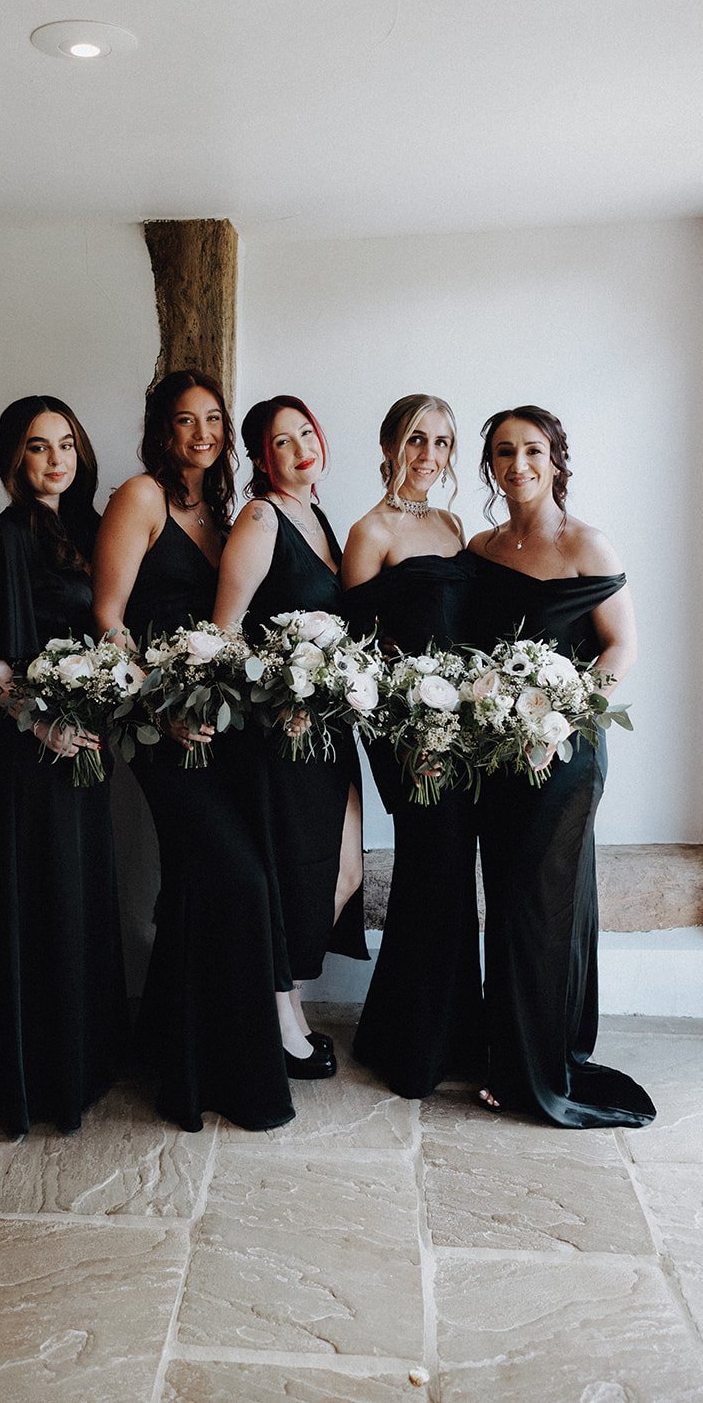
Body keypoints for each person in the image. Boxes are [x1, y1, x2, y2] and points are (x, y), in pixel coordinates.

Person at [92, 370, 296, 1131]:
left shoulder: (222, 509)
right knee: (236, 881)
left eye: (213, 418)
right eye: (186, 421)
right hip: (161, 730)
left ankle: (178, 1060)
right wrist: (159, 705)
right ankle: (242, 1080)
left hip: (225, 729)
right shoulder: (140, 498)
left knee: (195, 890)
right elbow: (108, 619)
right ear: (161, 429)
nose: (202, 433)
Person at [468, 405, 655, 1128]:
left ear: (556, 460)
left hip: (564, 757)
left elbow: (619, 649)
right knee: (509, 905)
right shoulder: (482, 548)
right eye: (504, 452)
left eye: (533, 451)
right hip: (496, 758)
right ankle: (519, 1049)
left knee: (541, 910)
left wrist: (561, 721)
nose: (518, 464)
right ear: (490, 464)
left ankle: (533, 1070)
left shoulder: (588, 545)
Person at [0, 395, 129, 1137]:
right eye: (36, 446)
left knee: (76, 902)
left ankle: (80, 1065)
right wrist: (41, 721)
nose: (55, 458)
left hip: (81, 750)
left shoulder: (87, 530)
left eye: (65, 444)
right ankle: (29, 1080)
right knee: (34, 903)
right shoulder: (4, 538)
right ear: (13, 461)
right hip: (24, 755)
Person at [213, 395, 368, 1075]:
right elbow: (222, 635)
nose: (299, 447)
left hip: (329, 729)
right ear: (260, 458)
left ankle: (287, 1004)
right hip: (283, 732)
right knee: (295, 876)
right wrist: (276, 699)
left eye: (306, 432)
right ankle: (280, 1018)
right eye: (281, 441)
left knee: (343, 872)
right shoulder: (260, 516)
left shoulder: (321, 517)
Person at [342, 394, 486, 1097]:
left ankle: (450, 1030)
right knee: (429, 875)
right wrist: (401, 744)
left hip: (461, 731)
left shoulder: (455, 523)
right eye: (415, 440)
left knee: (453, 878)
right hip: (409, 738)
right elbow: (356, 656)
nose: (429, 455)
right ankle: (412, 1045)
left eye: (441, 442)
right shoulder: (369, 531)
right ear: (389, 444)